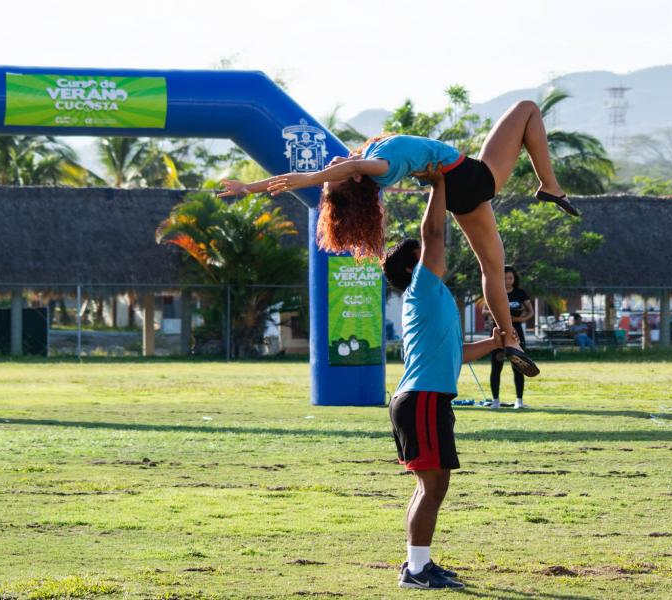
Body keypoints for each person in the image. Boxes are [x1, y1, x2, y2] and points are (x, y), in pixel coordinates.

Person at [220, 101, 576, 378]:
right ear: (354, 181)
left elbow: (352, 167)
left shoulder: (375, 159)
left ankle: (509, 338)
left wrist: (252, 186)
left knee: (493, 268)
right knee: (527, 109)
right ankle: (550, 185)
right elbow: (353, 169)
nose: (336, 165)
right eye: (335, 176)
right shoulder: (377, 169)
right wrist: (308, 178)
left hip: (453, 191)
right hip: (469, 177)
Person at [381, 166, 503, 590]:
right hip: (423, 401)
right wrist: (439, 184)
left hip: (425, 398)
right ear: (415, 266)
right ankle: (416, 572)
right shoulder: (422, 288)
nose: (435, 255)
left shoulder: (431, 300)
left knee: (430, 486)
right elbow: (434, 233)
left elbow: (453, 356)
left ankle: (417, 565)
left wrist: (491, 344)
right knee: (433, 487)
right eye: (424, 254)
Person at [482, 266, 534, 409]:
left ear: (514, 279)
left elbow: (531, 312)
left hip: (516, 335)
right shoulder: (494, 291)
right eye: (504, 278)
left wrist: (520, 320)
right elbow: (485, 310)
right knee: (496, 368)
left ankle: (519, 401)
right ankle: (496, 401)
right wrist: (500, 316)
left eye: (510, 278)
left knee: (518, 367)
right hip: (499, 335)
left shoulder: (520, 293)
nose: (507, 281)